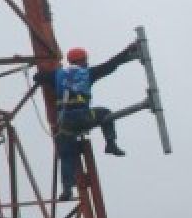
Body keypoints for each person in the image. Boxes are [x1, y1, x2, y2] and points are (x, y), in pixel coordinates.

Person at [35, 42, 141, 200]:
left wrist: (49, 75)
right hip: (84, 118)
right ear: (82, 60)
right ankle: (110, 144)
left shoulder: (57, 75)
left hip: (66, 123)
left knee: (66, 154)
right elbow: (110, 65)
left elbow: (38, 77)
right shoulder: (87, 73)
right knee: (105, 113)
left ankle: (67, 189)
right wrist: (127, 51)